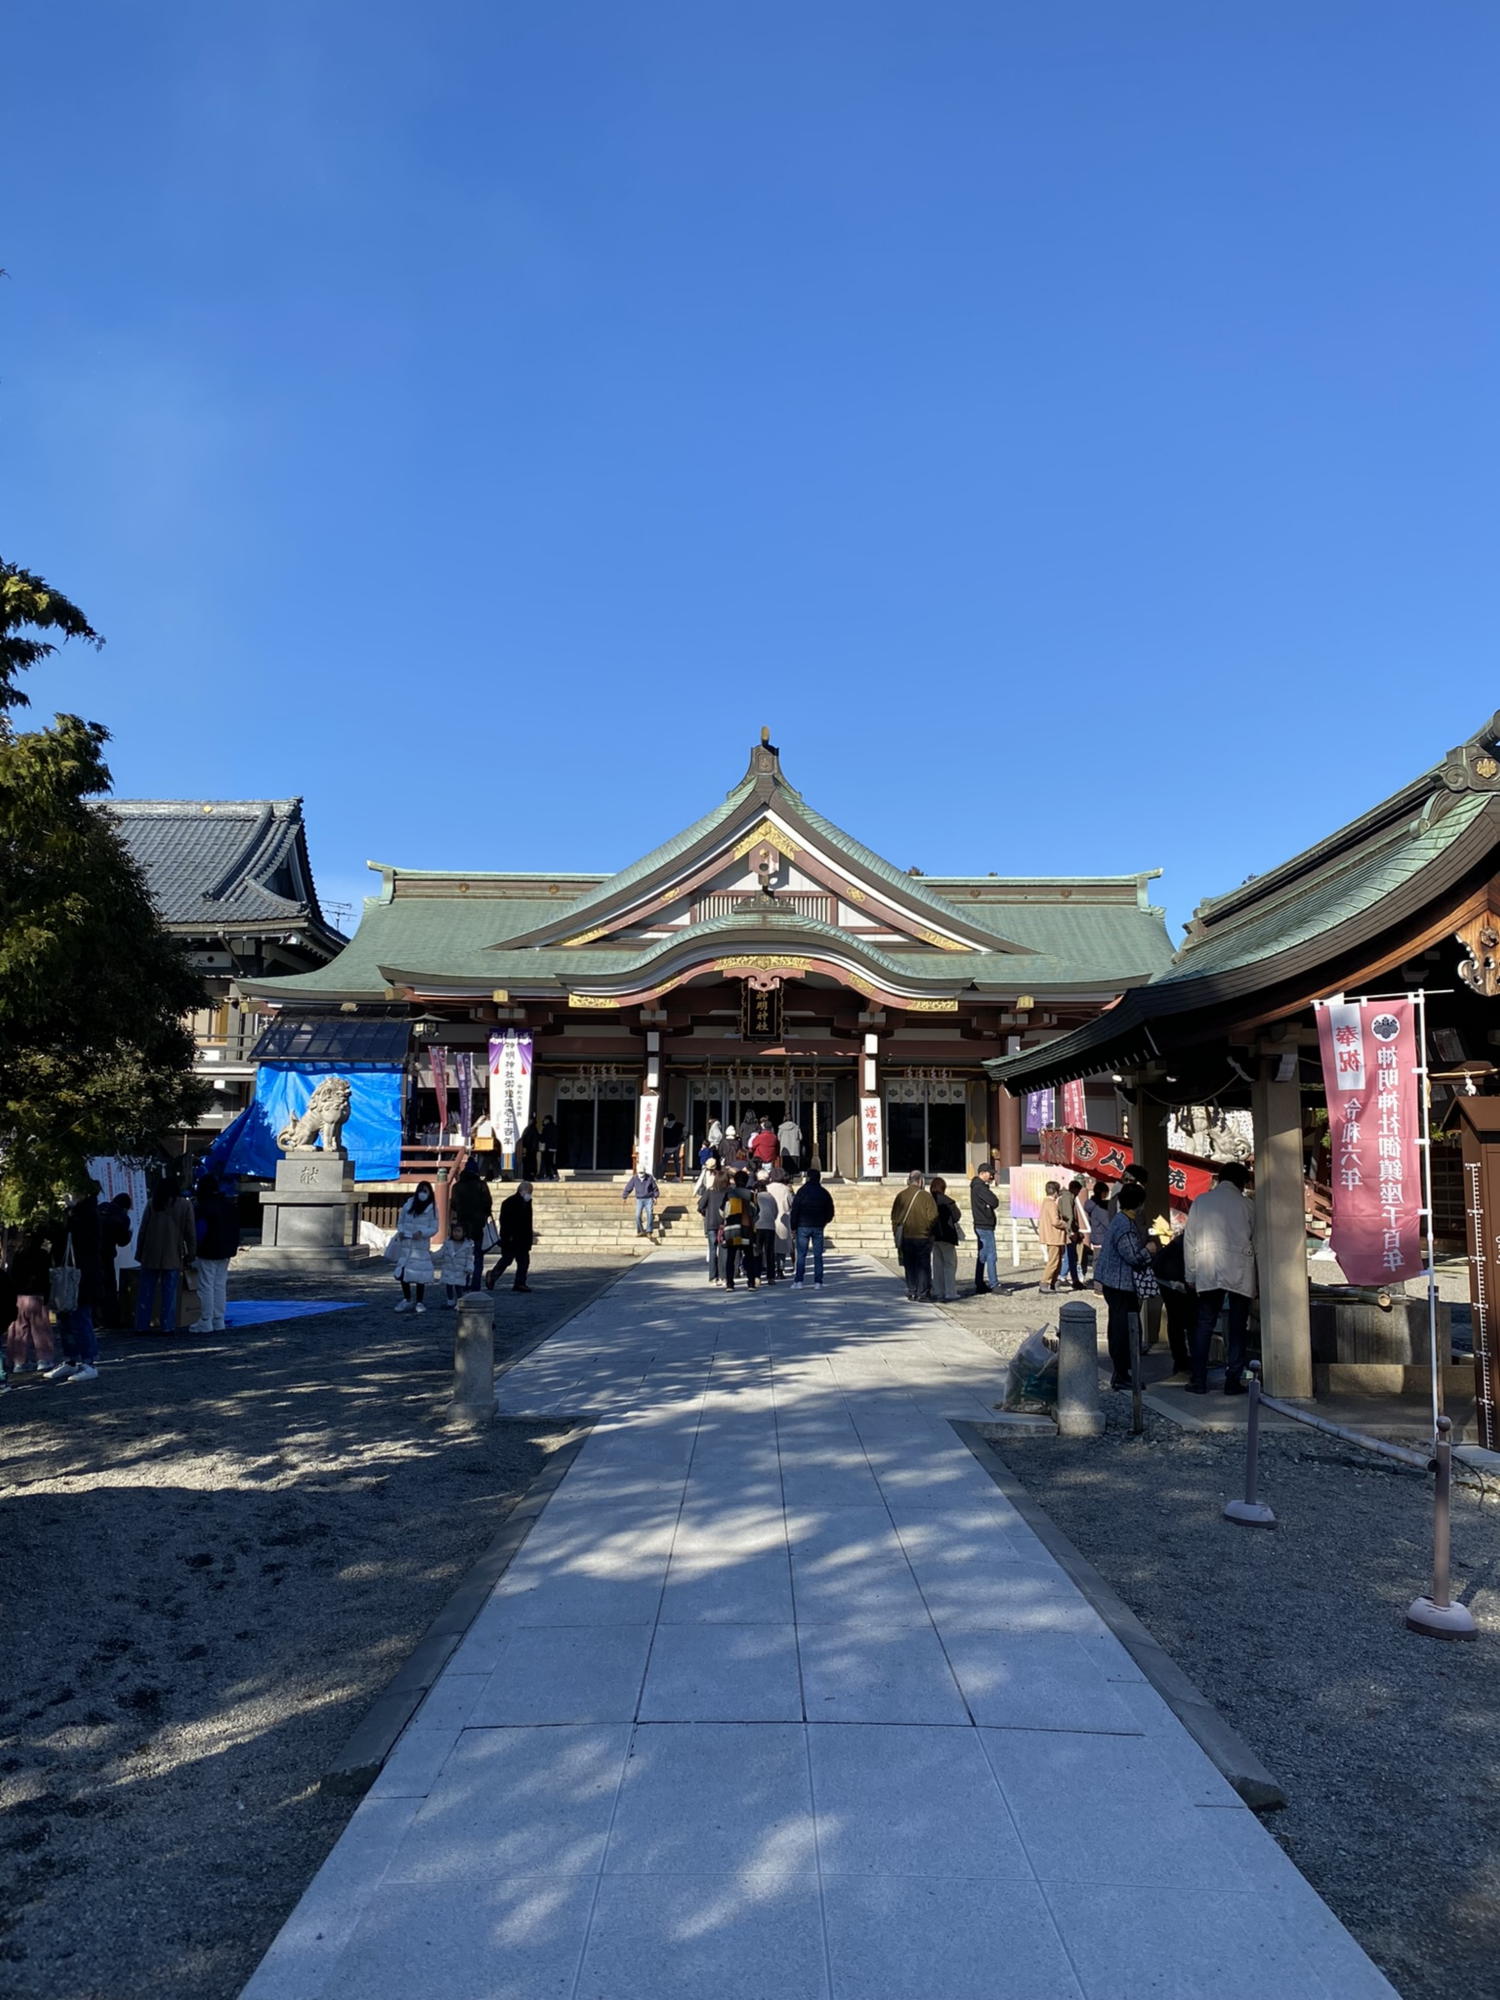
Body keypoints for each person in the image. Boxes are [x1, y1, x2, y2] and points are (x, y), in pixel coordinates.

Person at [1184, 1162, 1256, 1394]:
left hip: (1208, 1266)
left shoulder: (1201, 1202)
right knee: (1237, 1327)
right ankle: (1232, 1380)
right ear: (1241, 1182)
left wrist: (1190, 1273)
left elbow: (1190, 1240)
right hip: (1240, 1268)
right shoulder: (1247, 1205)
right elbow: (1258, 1240)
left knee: (1204, 1324)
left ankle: (1198, 1379)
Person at [1093, 1184, 1156, 1389]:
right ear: (1140, 1204)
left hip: (1114, 1282)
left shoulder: (1120, 1220)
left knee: (1121, 1327)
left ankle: (1123, 1372)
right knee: (1125, 1330)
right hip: (1119, 1284)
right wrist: (1149, 1249)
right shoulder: (1125, 1226)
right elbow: (1133, 1256)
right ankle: (1121, 1373)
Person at [134, 1175, 197, 1335]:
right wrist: (191, 1253)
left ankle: (142, 1324)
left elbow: (142, 1230)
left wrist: (139, 1252)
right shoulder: (184, 1205)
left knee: (146, 1291)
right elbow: (190, 1233)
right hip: (173, 1253)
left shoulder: (152, 1204)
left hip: (150, 1252)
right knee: (170, 1292)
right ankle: (167, 1325)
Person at [188, 1171, 240, 1333]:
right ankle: (219, 1319)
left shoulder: (202, 1207)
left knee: (206, 1286)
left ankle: (206, 1320)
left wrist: (194, 1248)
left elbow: (200, 1232)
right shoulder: (229, 1205)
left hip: (208, 1250)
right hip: (226, 1250)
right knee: (219, 1285)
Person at [5, 1229, 55, 1378]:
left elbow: (13, 1275)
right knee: (41, 1330)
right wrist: (48, 1295)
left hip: (20, 1295)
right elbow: (47, 1277)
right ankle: (44, 1359)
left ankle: (18, 1361)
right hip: (37, 1294)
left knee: (19, 1331)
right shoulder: (43, 1255)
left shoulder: (19, 1255)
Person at [1152, 1211, 1196, 1375]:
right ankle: (1190, 1359)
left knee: (1175, 1322)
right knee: (1190, 1321)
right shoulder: (1191, 1241)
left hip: (1165, 1278)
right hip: (1177, 1280)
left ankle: (1180, 1360)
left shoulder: (1180, 1240)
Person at [891, 1171, 938, 1302]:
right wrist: (927, 1227)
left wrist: (896, 1233)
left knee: (909, 1265)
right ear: (920, 1181)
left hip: (906, 1236)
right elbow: (933, 1216)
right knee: (923, 1265)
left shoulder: (900, 1196)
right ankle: (923, 1292)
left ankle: (912, 1290)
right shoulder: (926, 1197)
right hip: (922, 1236)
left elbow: (894, 1217)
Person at [391, 1182, 438, 1313]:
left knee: (420, 1275)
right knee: (403, 1272)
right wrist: (400, 1230)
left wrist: (422, 1233)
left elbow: (434, 1228)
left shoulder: (432, 1208)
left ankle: (419, 1301)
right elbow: (400, 1221)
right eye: (421, 1190)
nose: (423, 1193)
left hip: (420, 1245)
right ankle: (407, 1298)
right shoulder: (408, 1205)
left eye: (426, 1191)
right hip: (406, 1243)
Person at [451, 1158, 493, 1289]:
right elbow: (488, 1204)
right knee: (478, 1257)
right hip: (478, 1225)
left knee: (464, 1256)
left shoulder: (457, 1187)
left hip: (462, 1225)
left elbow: (453, 1205)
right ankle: (475, 1284)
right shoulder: (481, 1185)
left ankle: (464, 1282)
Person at [486, 1181, 536, 1291]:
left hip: (523, 1238)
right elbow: (505, 1222)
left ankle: (520, 1283)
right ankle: (493, 1275)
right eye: (529, 1192)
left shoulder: (527, 1202)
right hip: (511, 1237)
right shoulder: (509, 1203)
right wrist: (507, 1236)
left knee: (523, 1261)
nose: (530, 1194)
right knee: (507, 1259)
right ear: (522, 1191)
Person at [789, 1168, 835, 1286]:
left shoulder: (802, 1191)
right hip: (818, 1225)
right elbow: (830, 1210)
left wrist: (793, 1226)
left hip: (803, 1225)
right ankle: (818, 1281)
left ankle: (799, 1280)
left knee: (801, 1254)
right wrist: (824, 1221)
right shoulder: (823, 1192)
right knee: (818, 1255)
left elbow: (795, 1210)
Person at [98, 1191, 133, 1328]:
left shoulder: (100, 1207)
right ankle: (111, 1320)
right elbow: (122, 1241)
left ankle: (95, 1318)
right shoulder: (122, 1216)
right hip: (107, 1254)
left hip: (90, 1253)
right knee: (109, 1287)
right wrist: (129, 1234)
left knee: (93, 1285)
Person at [720, 1172, 758, 1289]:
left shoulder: (729, 1194)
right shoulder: (751, 1194)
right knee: (749, 1256)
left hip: (732, 1228)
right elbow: (756, 1211)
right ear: (746, 1181)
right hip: (746, 1229)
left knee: (730, 1257)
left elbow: (722, 1212)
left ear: (735, 1181)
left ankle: (730, 1284)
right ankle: (751, 1283)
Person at [929, 1177, 962, 1302]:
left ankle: (938, 1290)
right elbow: (957, 1216)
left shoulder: (929, 1200)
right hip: (947, 1236)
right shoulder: (948, 1201)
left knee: (937, 1264)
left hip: (934, 1236)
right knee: (949, 1264)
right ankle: (950, 1291)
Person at [969, 1163, 1000, 1295]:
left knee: (982, 1255)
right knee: (991, 1254)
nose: (992, 1176)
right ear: (983, 1173)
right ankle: (994, 1283)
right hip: (984, 1224)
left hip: (980, 1223)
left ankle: (979, 1282)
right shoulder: (980, 1187)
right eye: (990, 1173)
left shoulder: (977, 1186)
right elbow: (994, 1201)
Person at [699, 1166, 729, 1284]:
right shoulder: (729, 1192)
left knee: (712, 1250)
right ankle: (723, 1276)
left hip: (711, 1223)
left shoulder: (710, 1192)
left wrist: (706, 1213)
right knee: (723, 1250)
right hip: (724, 1224)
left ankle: (712, 1276)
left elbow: (700, 1205)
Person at [1038, 1181, 1069, 1292]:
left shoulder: (1045, 1202)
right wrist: (1064, 1223)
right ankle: (1045, 1282)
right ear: (1055, 1192)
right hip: (1054, 1236)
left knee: (1057, 1261)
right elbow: (1055, 1221)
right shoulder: (1051, 1204)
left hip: (1051, 1236)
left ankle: (1053, 1283)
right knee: (1054, 1261)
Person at [1056, 1178, 1087, 1289]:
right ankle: (1068, 1279)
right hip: (1068, 1231)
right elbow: (1069, 1215)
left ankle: (1064, 1277)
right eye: (1078, 1191)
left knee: (1070, 1256)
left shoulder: (1067, 1197)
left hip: (1069, 1230)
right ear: (1075, 1189)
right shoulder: (1067, 1197)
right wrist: (1072, 1231)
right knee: (1071, 1255)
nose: (1078, 1194)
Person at [1083, 1179, 1113, 1283]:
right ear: (1102, 1192)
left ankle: (1098, 1284)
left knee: (1097, 1261)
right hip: (1102, 1237)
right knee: (1101, 1263)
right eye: (1106, 1193)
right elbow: (1108, 1223)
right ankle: (1099, 1286)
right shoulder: (1099, 1208)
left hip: (1096, 1236)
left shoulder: (1092, 1204)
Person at [439, 1222, 473, 1307]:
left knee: (459, 1287)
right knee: (449, 1286)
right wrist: (430, 1255)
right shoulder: (447, 1243)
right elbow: (440, 1253)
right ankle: (450, 1300)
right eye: (454, 1231)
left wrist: (469, 1267)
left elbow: (469, 1258)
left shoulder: (467, 1245)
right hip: (449, 1268)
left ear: (464, 1233)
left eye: (458, 1231)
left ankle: (459, 1302)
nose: (456, 1233)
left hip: (460, 1270)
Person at [754, 1178, 780, 1283]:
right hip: (770, 1226)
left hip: (758, 1226)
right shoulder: (771, 1197)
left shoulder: (755, 1197)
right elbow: (775, 1212)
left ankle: (757, 1276)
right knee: (770, 1252)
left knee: (757, 1252)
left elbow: (753, 1211)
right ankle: (771, 1277)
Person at [622, 1165, 660, 1236]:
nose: (641, 1174)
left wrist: (655, 1197)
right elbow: (629, 1187)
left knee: (650, 1214)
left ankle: (649, 1231)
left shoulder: (649, 1178)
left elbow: (655, 1188)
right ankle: (640, 1230)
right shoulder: (634, 1178)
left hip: (648, 1198)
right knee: (637, 1215)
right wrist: (625, 1196)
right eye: (640, 1173)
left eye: (642, 1172)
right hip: (639, 1199)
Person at [767, 1171, 793, 1276]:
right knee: (781, 1247)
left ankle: (771, 1268)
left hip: (770, 1219)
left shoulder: (767, 1188)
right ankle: (780, 1269)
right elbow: (791, 1204)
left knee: (770, 1246)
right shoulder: (786, 1189)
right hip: (783, 1218)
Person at [660, 1113, 684, 1180]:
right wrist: (682, 1141)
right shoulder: (680, 1125)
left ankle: (662, 1174)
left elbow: (663, 1138)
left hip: (668, 1147)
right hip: (677, 1146)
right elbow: (685, 1133)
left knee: (664, 1161)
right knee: (677, 1161)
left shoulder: (665, 1127)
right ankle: (678, 1175)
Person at [518, 1117, 541, 1183]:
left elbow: (527, 1139)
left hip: (530, 1149)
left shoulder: (530, 1129)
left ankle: (529, 1176)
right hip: (532, 1149)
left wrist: (524, 1146)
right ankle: (531, 1175)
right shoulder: (533, 1129)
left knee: (529, 1163)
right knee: (532, 1163)